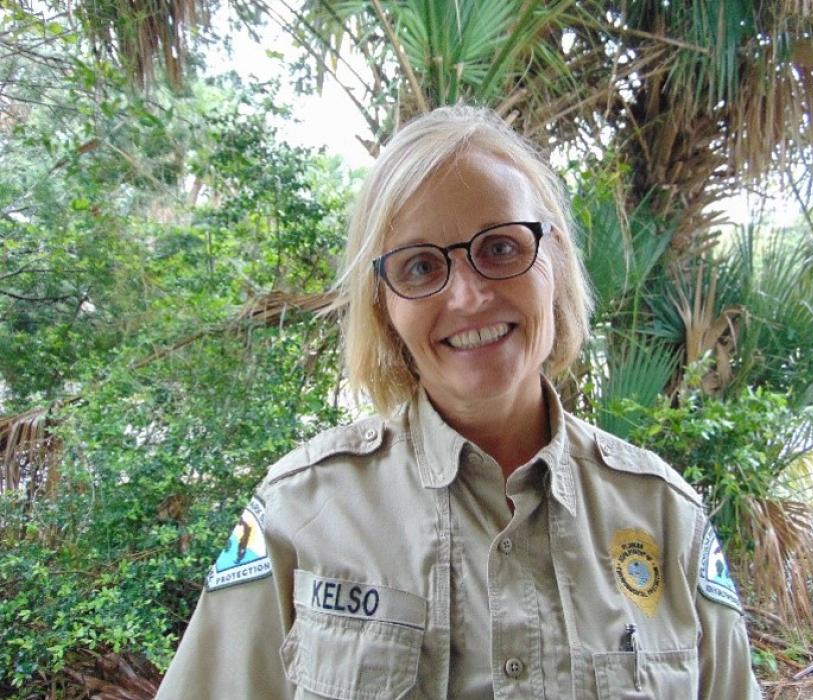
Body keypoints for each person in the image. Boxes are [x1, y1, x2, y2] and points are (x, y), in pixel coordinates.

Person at [155, 105, 762, 699]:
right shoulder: (300, 514)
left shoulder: (665, 516)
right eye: (420, 266)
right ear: (384, 308)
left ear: (554, 261)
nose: (469, 297)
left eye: (500, 248)